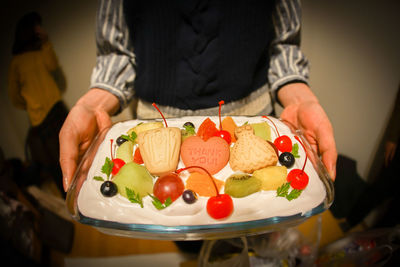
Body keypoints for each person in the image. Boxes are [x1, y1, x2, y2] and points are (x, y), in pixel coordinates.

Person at [59, 0, 337, 190]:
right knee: (180, 233)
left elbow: (283, 44)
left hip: (252, 123)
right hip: (155, 131)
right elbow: (117, 52)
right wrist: (92, 104)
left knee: (252, 235)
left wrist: (301, 99)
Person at [8, 12, 68, 196]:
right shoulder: (16, 63)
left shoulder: (43, 50)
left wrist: (47, 42)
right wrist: (32, 105)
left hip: (57, 111)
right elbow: (14, 96)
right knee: (54, 164)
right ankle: (70, 201)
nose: (40, 30)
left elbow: (54, 67)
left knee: (72, 152)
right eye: (36, 27)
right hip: (40, 120)